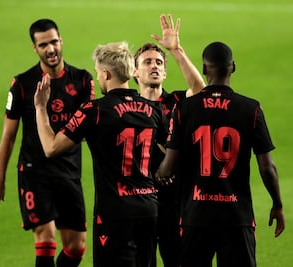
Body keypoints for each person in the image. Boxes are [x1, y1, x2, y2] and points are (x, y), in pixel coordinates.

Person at [34, 41, 167, 267]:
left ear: (106, 73)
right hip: (149, 209)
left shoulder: (95, 110)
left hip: (115, 214)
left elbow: (51, 147)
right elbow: (170, 155)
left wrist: (40, 108)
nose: (97, 78)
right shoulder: (154, 110)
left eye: (98, 73)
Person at [157, 41, 285, 267]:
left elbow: (169, 166)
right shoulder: (251, 108)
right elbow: (267, 167)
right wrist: (277, 204)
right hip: (237, 217)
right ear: (233, 67)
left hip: (195, 216)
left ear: (205, 69)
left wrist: (159, 173)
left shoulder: (184, 109)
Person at [0, 18, 95, 267]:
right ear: (35, 48)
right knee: (45, 238)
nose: (51, 49)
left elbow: (89, 127)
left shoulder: (82, 80)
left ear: (61, 40)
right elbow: (9, 136)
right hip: (35, 172)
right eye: (43, 44)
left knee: (76, 247)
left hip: (69, 172)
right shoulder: (22, 83)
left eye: (54, 42)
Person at [134, 14, 205, 267]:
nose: (154, 66)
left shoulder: (176, 102)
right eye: (147, 62)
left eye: (158, 62)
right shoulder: (126, 107)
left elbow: (199, 89)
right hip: (139, 199)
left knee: (177, 260)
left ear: (164, 71)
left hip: (175, 200)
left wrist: (175, 51)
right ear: (135, 71)